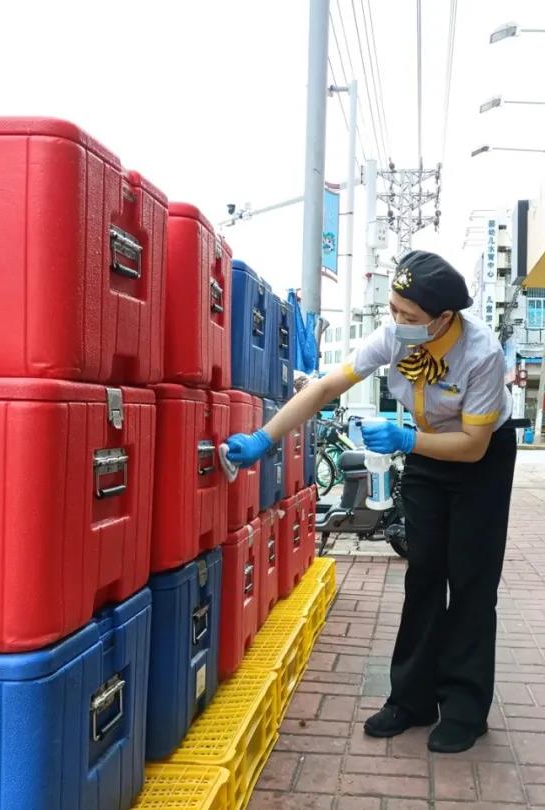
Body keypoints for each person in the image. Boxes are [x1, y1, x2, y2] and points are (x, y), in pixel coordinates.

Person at [224, 250, 516, 754]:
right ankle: (411, 700)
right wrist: (264, 438)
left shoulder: (482, 354)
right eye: (393, 309)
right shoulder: (395, 337)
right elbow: (327, 387)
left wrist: (405, 440)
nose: (396, 320)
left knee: (471, 579)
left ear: (444, 317)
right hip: (425, 450)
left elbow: (472, 446)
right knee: (424, 573)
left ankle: (465, 709)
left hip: (481, 460)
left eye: (408, 314)